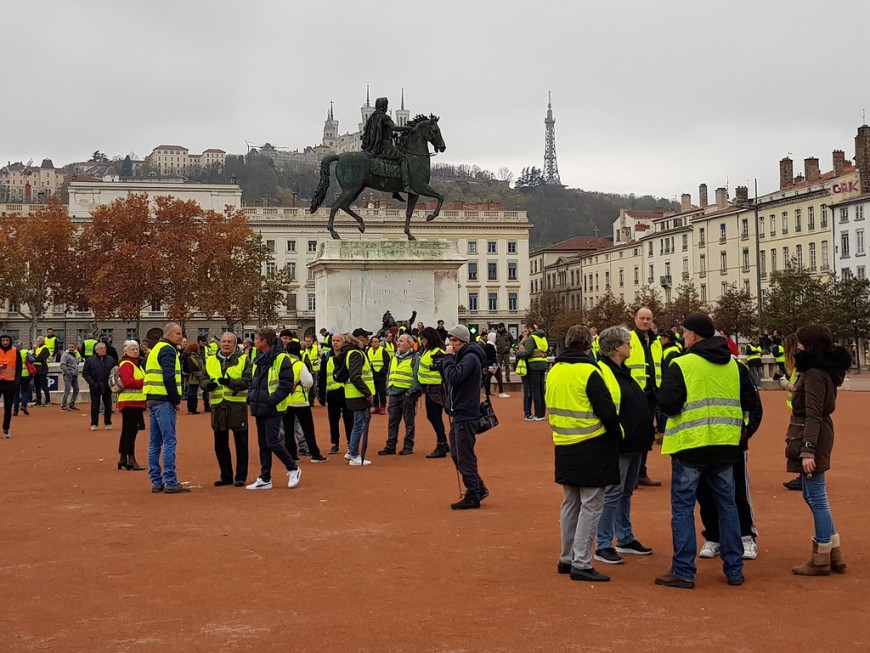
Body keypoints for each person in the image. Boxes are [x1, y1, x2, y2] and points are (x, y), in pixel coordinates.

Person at [654, 312, 756, 589]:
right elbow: (750, 402)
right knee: (727, 506)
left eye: (685, 332)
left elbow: (668, 404)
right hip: (725, 446)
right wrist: (740, 433)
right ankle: (734, 569)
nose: (682, 337)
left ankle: (683, 570)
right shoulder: (734, 365)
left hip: (690, 445)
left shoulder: (682, 363)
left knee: (683, 508)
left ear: (694, 335)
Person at [547, 325, 621, 582]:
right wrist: (617, 433)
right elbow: (606, 409)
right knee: (591, 504)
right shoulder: (589, 371)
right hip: (591, 442)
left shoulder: (555, 370)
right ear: (589, 344)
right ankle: (581, 561)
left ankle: (567, 557)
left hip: (563, 442)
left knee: (571, 502)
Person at [787, 324, 850, 576]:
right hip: (817, 432)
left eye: (801, 342)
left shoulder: (813, 373)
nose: (797, 346)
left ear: (811, 345)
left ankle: (822, 555)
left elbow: (813, 414)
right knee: (812, 494)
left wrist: (808, 451)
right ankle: (833, 552)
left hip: (812, 435)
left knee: (816, 496)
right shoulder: (819, 370)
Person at [593, 326, 656, 566]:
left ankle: (625, 536)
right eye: (626, 343)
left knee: (625, 492)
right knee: (611, 494)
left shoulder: (624, 370)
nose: (630, 346)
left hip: (634, 441)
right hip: (619, 442)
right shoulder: (603, 370)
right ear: (615, 346)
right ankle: (603, 543)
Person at [246, 328, 302, 490]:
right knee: (263, 443)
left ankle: (293, 468)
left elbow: (286, 384)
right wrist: (251, 396)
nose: (254, 341)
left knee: (272, 441)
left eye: (257, 339)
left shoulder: (281, 358)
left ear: (264, 342)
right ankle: (265, 477)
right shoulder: (259, 358)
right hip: (259, 405)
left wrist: (272, 400)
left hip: (273, 406)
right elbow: (253, 381)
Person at [440, 325, 488, 510]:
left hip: (466, 412)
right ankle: (478, 487)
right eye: (450, 340)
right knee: (456, 452)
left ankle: (473, 493)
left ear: (463, 341)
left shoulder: (470, 358)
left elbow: (453, 377)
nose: (451, 344)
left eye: (455, 341)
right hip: (460, 411)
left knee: (464, 454)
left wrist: (448, 359)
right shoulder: (465, 357)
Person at [201, 332, 251, 486]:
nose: (226, 344)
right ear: (219, 343)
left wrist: (230, 382)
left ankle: (241, 476)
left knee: (241, 443)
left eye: (229, 342)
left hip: (237, 406)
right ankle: (226, 476)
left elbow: (248, 380)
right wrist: (207, 385)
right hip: (218, 406)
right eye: (224, 341)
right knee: (220, 444)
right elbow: (203, 379)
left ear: (235, 344)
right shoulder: (210, 360)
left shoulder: (243, 359)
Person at [145, 322, 189, 494]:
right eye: (178, 333)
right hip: (163, 400)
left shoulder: (156, 349)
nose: (181, 337)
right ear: (169, 334)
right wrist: (176, 399)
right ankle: (170, 480)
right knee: (169, 440)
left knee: (154, 442)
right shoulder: (168, 350)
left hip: (152, 398)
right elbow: (169, 377)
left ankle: (156, 481)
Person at [626, 307, 662, 487]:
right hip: (633, 393)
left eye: (648, 318)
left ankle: (641, 472)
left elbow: (659, 366)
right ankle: (630, 475)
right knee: (634, 434)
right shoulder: (629, 338)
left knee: (647, 434)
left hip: (652, 393)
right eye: (642, 318)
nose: (645, 321)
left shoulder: (656, 342)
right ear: (635, 319)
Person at [281, 340, 327, 464]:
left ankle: (292, 455)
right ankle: (315, 454)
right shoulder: (299, 364)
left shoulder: (283, 364)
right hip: (300, 401)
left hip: (286, 401)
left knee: (288, 430)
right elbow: (309, 382)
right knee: (308, 429)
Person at [334, 331, 375, 466]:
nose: (367, 339)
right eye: (365, 337)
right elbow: (355, 377)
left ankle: (351, 451)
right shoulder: (355, 353)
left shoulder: (351, 352)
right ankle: (354, 454)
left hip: (355, 393)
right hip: (358, 394)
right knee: (359, 424)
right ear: (357, 339)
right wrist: (367, 393)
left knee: (358, 424)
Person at [379, 333, 420, 456]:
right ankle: (390, 446)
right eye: (398, 341)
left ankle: (408, 446)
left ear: (409, 344)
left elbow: (417, 377)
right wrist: (388, 388)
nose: (398, 343)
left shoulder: (415, 358)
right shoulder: (394, 357)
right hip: (393, 394)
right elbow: (389, 373)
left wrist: (410, 392)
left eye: (401, 341)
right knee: (392, 421)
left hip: (407, 395)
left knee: (409, 422)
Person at [361, 96, 413, 194]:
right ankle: (406, 185)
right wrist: (407, 128)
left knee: (392, 163)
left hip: (374, 147)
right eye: (386, 105)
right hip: (385, 146)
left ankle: (395, 190)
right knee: (403, 159)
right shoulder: (384, 117)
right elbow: (394, 127)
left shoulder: (372, 118)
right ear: (384, 106)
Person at [418, 326, 450, 458]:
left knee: (435, 417)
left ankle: (442, 444)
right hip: (428, 388)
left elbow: (442, 369)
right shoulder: (427, 351)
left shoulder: (437, 352)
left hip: (436, 389)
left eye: (423, 339)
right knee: (431, 416)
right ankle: (443, 442)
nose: (422, 341)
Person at [319, 332, 353, 454]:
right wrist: (321, 394)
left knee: (349, 419)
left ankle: (350, 443)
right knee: (333, 419)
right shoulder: (326, 356)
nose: (335, 343)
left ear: (343, 342)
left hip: (346, 391)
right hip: (332, 393)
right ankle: (335, 443)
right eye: (333, 340)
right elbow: (322, 376)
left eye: (338, 340)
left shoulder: (347, 355)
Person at [116, 340, 146, 471]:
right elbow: (128, 381)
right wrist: (144, 382)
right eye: (132, 349)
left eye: (137, 349)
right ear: (125, 351)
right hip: (130, 402)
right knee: (131, 431)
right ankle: (130, 458)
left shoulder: (135, 364)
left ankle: (123, 458)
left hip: (134, 402)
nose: (135, 351)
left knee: (127, 431)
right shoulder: (127, 364)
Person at [781, 333, 804, 491]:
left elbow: (799, 387)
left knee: (798, 442)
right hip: (798, 407)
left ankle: (804, 477)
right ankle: (803, 476)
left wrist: (786, 384)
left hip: (801, 408)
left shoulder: (801, 364)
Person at [517, 323, 548, 421]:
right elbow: (544, 350)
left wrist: (518, 352)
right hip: (543, 364)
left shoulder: (532, 337)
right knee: (541, 390)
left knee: (535, 391)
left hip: (534, 365)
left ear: (530, 329)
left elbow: (528, 352)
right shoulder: (542, 337)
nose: (526, 332)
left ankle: (537, 414)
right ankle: (542, 413)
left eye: (526, 330)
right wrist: (540, 354)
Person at [83, 342, 116, 431]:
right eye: (101, 348)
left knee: (108, 405)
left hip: (107, 386)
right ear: (96, 350)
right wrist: (92, 383)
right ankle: (94, 424)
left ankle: (108, 422)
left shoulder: (111, 359)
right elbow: (85, 373)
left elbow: (115, 372)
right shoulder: (90, 360)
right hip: (95, 386)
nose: (104, 350)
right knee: (95, 405)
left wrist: (112, 383)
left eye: (104, 348)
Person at [0, 335, 21, 438]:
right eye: (3, 340)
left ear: (10, 341)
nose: (5, 342)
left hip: (10, 383)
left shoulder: (15, 351)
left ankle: (6, 429)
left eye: (7, 340)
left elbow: (19, 368)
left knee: (8, 408)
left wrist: (16, 382)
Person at [367, 335, 390, 415]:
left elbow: (387, 361)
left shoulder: (382, 350)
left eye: (377, 342)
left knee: (382, 391)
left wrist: (383, 370)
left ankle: (383, 406)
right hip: (371, 374)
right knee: (374, 392)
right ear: (371, 343)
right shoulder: (368, 351)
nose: (376, 343)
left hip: (380, 374)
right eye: (374, 342)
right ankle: (376, 407)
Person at [184, 342, 205, 414]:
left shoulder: (195, 356)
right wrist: (201, 376)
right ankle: (191, 409)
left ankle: (193, 409)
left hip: (195, 378)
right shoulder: (192, 357)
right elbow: (194, 368)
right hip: (193, 378)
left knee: (193, 394)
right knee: (192, 394)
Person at [13, 344, 33, 416]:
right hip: (25, 374)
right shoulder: (25, 352)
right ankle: (23, 406)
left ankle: (15, 410)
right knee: (25, 391)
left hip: (15, 375)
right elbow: (32, 360)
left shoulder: (12, 353)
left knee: (16, 393)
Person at [60, 343, 80, 411]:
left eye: (72, 347)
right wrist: (67, 372)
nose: (71, 348)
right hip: (68, 375)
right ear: (67, 348)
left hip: (75, 375)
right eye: (69, 347)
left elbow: (77, 363)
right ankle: (63, 405)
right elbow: (62, 364)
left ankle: (72, 404)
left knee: (76, 390)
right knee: (67, 390)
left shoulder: (76, 355)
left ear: (75, 348)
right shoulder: (65, 355)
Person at [301, 334, 320, 407]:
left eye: (309, 341)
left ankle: (311, 401)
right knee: (306, 386)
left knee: (313, 387)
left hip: (314, 370)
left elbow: (321, 355)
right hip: (306, 371)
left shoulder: (316, 348)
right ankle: (306, 400)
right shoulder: (303, 349)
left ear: (312, 341)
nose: (307, 343)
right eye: (306, 341)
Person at [32, 336, 51, 406]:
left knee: (44, 386)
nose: (37, 342)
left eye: (38, 341)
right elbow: (33, 357)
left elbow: (40, 358)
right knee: (37, 386)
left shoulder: (45, 348)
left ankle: (48, 401)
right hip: (36, 369)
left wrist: (34, 358)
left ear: (42, 341)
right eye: (37, 341)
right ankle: (38, 401)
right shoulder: (37, 349)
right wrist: (34, 354)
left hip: (42, 369)